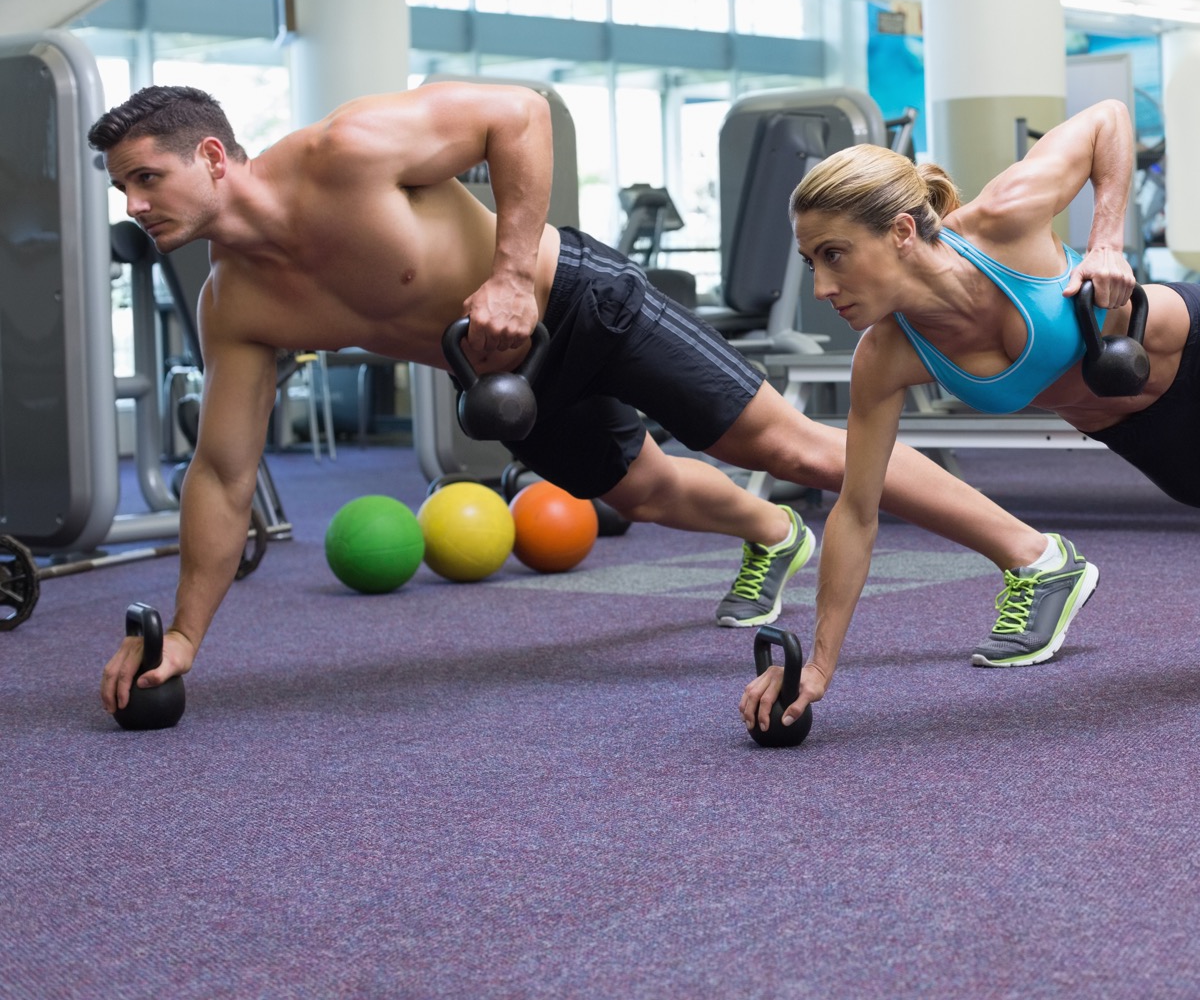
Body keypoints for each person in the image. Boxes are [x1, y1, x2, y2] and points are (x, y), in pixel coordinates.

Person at [91, 82, 1094, 719]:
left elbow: (517, 113)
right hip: (500, 375)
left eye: (147, 177)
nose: (136, 205)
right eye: (124, 189)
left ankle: (1038, 557)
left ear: (211, 157)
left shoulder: (345, 154)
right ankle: (768, 538)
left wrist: (515, 273)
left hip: (581, 301)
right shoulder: (238, 306)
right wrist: (183, 635)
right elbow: (224, 475)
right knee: (645, 490)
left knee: (800, 450)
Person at [741, 97, 1195, 736]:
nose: (821, 287)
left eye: (834, 255)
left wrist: (1106, 241)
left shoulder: (1004, 221)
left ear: (901, 231)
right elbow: (857, 510)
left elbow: (1109, 119)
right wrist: (818, 665)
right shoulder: (887, 356)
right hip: (1149, 439)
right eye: (812, 262)